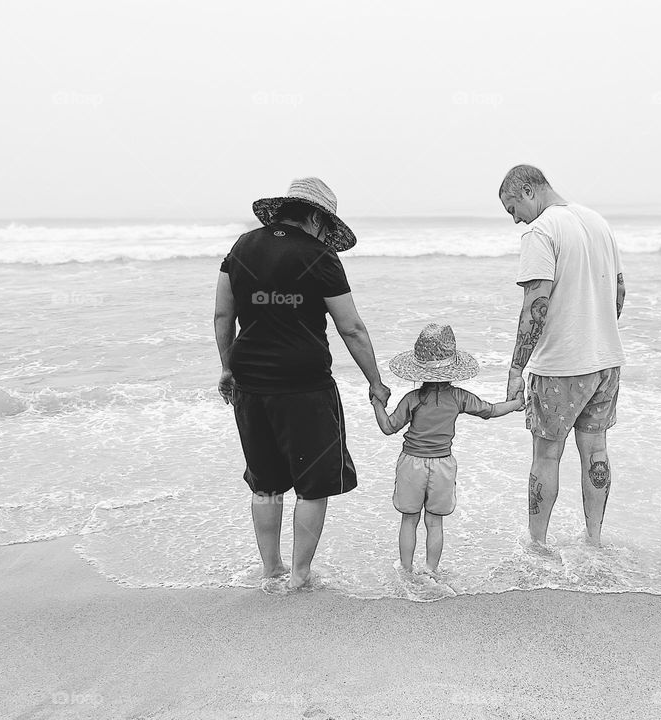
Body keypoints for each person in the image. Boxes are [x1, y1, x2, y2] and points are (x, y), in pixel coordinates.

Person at [214, 176, 391, 589]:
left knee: (266, 484)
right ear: (314, 217)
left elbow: (223, 316)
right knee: (312, 486)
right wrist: (376, 382)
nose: (327, 235)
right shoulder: (320, 257)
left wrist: (227, 368)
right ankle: (299, 575)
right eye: (327, 227)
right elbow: (352, 329)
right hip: (305, 388)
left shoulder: (242, 246)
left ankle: (271, 569)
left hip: (251, 386)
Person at [498, 165, 626, 546]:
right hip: (606, 359)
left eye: (512, 209)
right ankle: (594, 540)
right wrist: (597, 331)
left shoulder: (541, 230)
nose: (516, 220)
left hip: (561, 366)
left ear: (527, 190)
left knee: (547, 455)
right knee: (596, 450)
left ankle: (537, 544)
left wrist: (516, 368)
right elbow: (619, 291)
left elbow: (535, 304)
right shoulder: (598, 222)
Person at [370, 324, 522, 573]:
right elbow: (491, 411)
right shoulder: (459, 398)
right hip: (442, 464)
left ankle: (406, 570)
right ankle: (431, 569)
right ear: (454, 369)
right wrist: (515, 403)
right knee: (435, 521)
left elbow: (388, 427)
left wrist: (377, 403)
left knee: (409, 520)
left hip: (412, 463)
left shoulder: (413, 399)